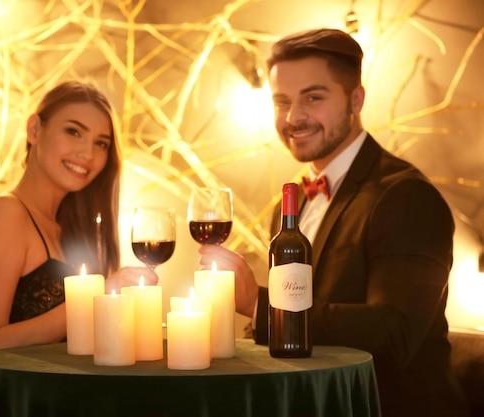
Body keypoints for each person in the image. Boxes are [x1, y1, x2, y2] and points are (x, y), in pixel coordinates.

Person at [198, 29, 469, 417]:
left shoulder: (407, 196)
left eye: (313, 97)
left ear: (355, 99)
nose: (293, 117)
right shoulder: (290, 203)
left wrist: (259, 305)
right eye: (282, 101)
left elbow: (393, 333)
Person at [0, 80, 156, 355]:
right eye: (73, 131)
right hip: (24, 396)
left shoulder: (73, 226)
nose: (88, 154)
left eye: (101, 143)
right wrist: (94, 300)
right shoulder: (6, 213)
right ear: (34, 130)